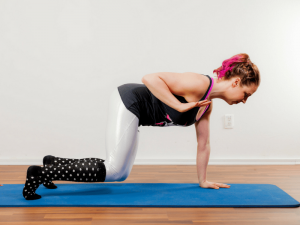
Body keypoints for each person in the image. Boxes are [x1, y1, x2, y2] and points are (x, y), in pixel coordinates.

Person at [22, 53, 260, 200]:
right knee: (115, 170)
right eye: (246, 94)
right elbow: (149, 78)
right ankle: (39, 173)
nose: (244, 100)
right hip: (130, 100)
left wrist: (203, 181)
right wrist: (181, 107)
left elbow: (204, 144)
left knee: (120, 173)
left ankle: (52, 163)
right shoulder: (197, 83)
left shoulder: (206, 105)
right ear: (236, 82)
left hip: (136, 112)